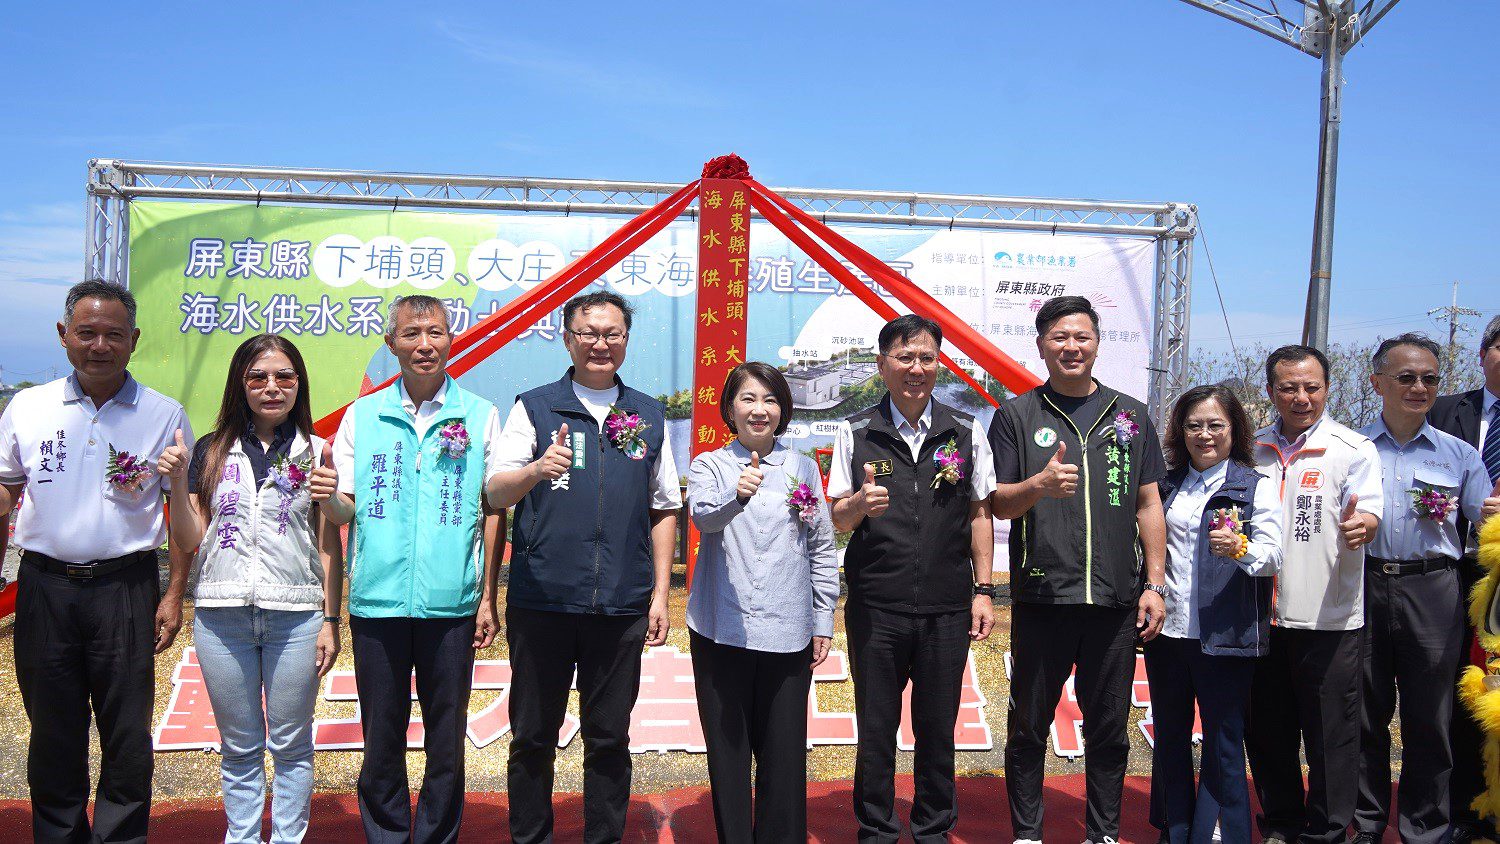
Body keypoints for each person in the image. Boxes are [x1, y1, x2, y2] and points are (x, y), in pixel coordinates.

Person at [0, 279, 193, 843]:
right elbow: (6, 494)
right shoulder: (27, 407)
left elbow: (176, 515)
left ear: (133, 340)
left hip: (126, 590)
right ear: (64, 336)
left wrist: (174, 592)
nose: (99, 345)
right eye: (87, 333)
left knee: (127, 732)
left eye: (113, 335)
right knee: (53, 731)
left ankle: (122, 835)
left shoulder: (162, 412)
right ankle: (58, 834)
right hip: (45, 588)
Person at [486, 290, 680, 844]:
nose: (601, 343)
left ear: (625, 341)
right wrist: (535, 471)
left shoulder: (646, 413)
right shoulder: (536, 406)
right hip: (543, 600)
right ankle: (531, 837)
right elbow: (496, 491)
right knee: (531, 737)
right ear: (567, 338)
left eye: (612, 333)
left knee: (609, 739)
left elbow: (664, 505)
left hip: (620, 605)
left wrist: (660, 594)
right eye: (589, 333)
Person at [324, 295, 505, 844]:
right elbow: (346, 507)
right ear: (391, 343)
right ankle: (386, 833)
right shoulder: (363, 415)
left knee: (446, 735)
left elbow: (493, 507)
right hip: (377, 601)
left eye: (435, 333)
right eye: (410, 334)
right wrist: (328, 498)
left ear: (452, 339)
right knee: (382, 733)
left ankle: (435, 835)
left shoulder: (479, 415)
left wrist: (487, 598)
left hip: (451, 603)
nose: (424, 345)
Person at [990, 295, 1168, 844]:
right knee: (1027, 727)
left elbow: (1147, 505)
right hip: (1044, 598)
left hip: (1114, 601)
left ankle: (1103, 833)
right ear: (1041, 345)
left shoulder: (1130, 414)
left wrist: (1154, 584)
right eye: (1060, 338)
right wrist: (1038, 486)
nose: (1072, 347)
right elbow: (997, 503)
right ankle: (1027, 833)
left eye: (1082, 337)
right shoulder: (1018, 415)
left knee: (1109, 730)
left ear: (1097, 342)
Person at [157, 334, 344, 844]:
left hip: (297, 616)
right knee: (238, 745)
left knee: (291, 745)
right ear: (240, 385)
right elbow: (191, 537)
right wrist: (176, 484)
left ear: (299, 383)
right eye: (257, 377)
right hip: (221, 616)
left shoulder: (318, 450)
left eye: (284, 376)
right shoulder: (211, 450)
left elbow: (330, 545)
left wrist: (331, 621)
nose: (271, 388)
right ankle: (240, 837)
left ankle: (287, 838)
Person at [828, 313, 997, 844]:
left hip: (947, 607)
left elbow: (979, 514)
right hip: (877, 605)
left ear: (939, 364)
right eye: (904, 357)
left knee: (937, 730)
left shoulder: (966, 431)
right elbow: (835, 517)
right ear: (882, 365)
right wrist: (858, 504)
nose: (916, 368)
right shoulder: (855, 431)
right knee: (876, 729)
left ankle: (932, 829)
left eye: (927, 357)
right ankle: (875, 829)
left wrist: (984, 589)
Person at [686, 361, 840, 843]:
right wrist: (738, 495)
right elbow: (705, 520)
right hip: (720, 631)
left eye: (770, 399)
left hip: (788, 632)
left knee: (784, 759)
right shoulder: (710, 465)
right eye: (748, 399)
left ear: (783, 410)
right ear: (729, 409)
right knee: (728, 758)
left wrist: (822, 619)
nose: (760, 410)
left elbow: (820, 544)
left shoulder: (801, 467)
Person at [1350, 334, 1494, 844]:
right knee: (1364, 714)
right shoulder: (1350, 450)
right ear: (1377, 383)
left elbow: (1485, 517)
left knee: (1430, 718)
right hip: (1362, 586)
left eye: (1430, 378)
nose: (1419, 387)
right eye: (1406, 377)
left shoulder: (1458, 456)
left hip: (1434, 590)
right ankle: (1365, 823)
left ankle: (1425, 827)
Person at [1244, 344, 1382, 844]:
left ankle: (1327, 831)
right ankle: (1280, 822)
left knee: (1331, 736)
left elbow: (1368, 510)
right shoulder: (1251, 448)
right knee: (1267, 731)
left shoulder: (1353, 448)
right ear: (1270, 391)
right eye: (1289, 388)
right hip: (1259, 617)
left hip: (1329, 617)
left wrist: (1363, 525)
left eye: (1312, 387)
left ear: (1327, 389)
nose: (1301, 397)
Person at [1147, 385, 1283, 844]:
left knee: (1224, 741)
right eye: (1193, 426)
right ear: (1179, 432)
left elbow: (1273, 555)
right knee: (1169, 734)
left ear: (1234, 429)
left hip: (1224, 634)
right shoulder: (1165, 486)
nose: (1204, 435)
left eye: (1215, 425)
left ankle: (1223, 832)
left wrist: (1241, 548)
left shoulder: (1254, 485)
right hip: (1168, 635)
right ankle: (1176, 827)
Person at [1429, 315, 1500, 842]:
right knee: (1457, 688)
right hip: (1453, 570)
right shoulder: (1443, 409)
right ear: (1483, 355)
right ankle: (1462, 809)